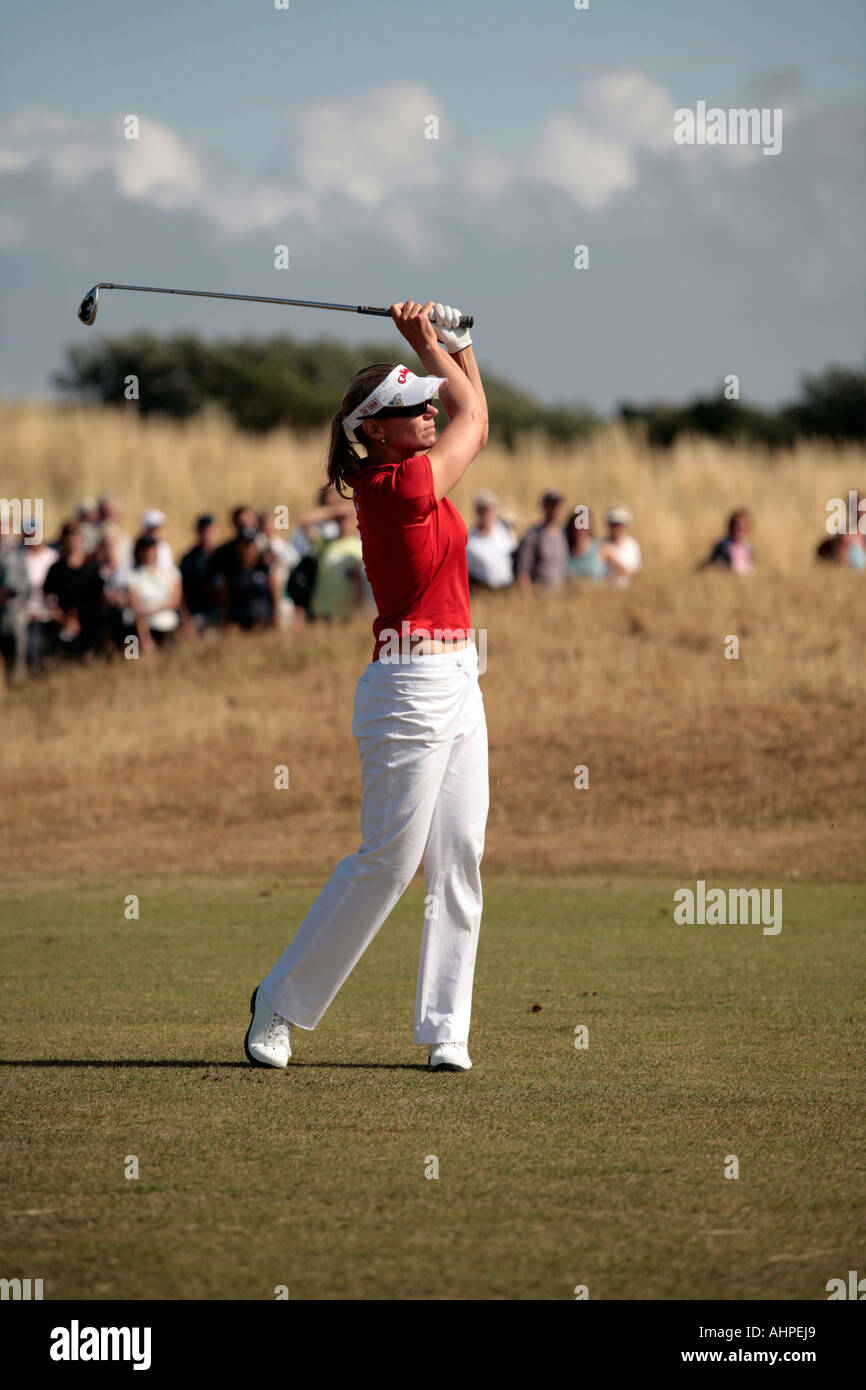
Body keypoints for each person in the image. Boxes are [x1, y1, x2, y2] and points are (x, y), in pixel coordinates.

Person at [245, 300, 489, 1074]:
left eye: (424, 401)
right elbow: (472, 418)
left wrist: (457, 343)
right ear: (373, 431)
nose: (424, 411)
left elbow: (470, 408)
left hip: (459, 675)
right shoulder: (397, 486)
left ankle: (445, 1027)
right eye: (406, 407)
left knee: (460, 856)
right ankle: (279, 1002)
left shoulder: (416, 473)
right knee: (389, 861)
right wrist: (427, 343)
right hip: (409, 684)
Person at [43, 522, 105, 659]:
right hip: (67, 619)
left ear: (82, 540)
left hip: (93, 616)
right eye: (69, 539)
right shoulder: (56, 569)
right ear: (63, 542)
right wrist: (63, 619)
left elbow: (102, 595)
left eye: (76, 538)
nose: (73, 543)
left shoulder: (93, 566)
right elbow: (48, 598)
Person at [309, 504, 367, 620]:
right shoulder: (325, 543)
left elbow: (360, 581)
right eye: (340, 519)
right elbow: (304, 523)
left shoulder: (361, 546)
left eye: (346, 519)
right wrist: (333, 511)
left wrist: (358, 608)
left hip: (346, 612)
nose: (343, 523)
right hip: (321, 609)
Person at [126, 536, 182, 651]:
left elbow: (175, 601)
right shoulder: (134, 576)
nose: (150, 553)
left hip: (169, 627)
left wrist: (149, 609)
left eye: (152, 550)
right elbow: (137, 610)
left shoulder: (171, 572)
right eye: (146, 550)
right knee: (133, 656)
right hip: (145, 629)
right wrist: (146, 641)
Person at [515, 490, 569, 593]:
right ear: (544, 507)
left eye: (558, 506)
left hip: (560, 594)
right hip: (540, 594)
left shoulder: (564, 534)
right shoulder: (532, 535)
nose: (555, 509)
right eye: (551, 505)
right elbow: (523, 571)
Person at [465, 490, 516, 591]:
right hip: (483, 589)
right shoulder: (469, 540)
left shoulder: (505, 531)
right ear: (478, 512)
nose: (487, 514)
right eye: (483, 510)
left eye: (491, 509)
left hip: (507, 589)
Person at [180, 514, 220, 631]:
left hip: (219, 611)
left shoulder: (223, 555)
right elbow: (182, 591)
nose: (206, 534)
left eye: (209, 530)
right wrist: (186, 618)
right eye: (203, 530)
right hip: (196, 612)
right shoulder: (188, 559)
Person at [700, 509, 755, 574]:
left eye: (744, 525)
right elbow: (713, 566)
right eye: (737, 526)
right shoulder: (723, 547)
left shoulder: (748, 547)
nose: (741, 528)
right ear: (731, 527)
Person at [600, 505, 642, 587]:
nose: (617, 528)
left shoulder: (632, 545)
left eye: (620, 524)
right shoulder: (600, 544)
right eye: (614, 524)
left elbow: (635, 573)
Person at [565, 506, 606, 583]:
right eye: (577, 526)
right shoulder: (565, 550)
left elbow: (625, 570)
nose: (580, 530)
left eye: (584, 526)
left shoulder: (600, 548)